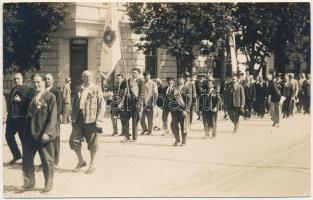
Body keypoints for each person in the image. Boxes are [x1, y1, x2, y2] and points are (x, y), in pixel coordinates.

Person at [21, 74, 58, 193]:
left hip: (43, 134)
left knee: (47, 160)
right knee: (26, 159)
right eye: (34, 82)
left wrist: (47, 132)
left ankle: (48, 183)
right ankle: (29, 182)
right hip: (29, 134)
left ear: (43, 82)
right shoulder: (32, 96)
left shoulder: (50, 97)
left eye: (38, 82)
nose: (36, 84)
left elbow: (53, 117)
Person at [69, 70, 105, 174]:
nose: (87, 78)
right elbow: (74, 103)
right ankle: (81, 161)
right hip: (78, 118)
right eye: (85, 76)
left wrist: (99, 120)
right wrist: (72, 118)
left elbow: (101, 105)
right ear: (82, 77)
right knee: (73, 141)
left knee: (92, 143)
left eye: (89, 76)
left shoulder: (97, 89)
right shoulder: (78, 89)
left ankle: (92, 164)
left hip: (91, 119)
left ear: (92, 77)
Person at [5, 73, 31, 165]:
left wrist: (20, 101)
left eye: (18, 78)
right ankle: (16, 155)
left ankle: (26, 159)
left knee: (23, 139)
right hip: (12, 118)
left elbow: (29, 103)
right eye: (15, 79)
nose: (16, 80)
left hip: (21, 119)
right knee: (8, 136)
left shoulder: (27, 89)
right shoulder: (13, 89)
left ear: (22, 79)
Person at [120, 67, 144, 142]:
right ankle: (127, 136)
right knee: (125, 119)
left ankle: (134, 137)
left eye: (135, 73)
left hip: (136, 102)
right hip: (127, 102)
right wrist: (125, 80)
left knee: (135, 120)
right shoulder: (128, 80)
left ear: (138, 74)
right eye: (132, 72)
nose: (133, 74)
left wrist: (139, 102)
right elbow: (121, 87)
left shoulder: (141, 81)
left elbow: (141, 93)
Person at [45, 73, 63, 167]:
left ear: (52, 80)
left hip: (54, 119)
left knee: (55, 140)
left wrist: (54, 118)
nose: (47, 81)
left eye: (49, 79)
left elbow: (60, 106)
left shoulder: (56, 91)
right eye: (46, 79)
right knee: (45, 140)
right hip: (44, 120)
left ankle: (55, 161)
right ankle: (46, 160)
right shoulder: (42, 91)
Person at [169, 74, 192, 146]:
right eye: (178, 79)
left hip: (183, 110)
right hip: (175, 111)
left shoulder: (187, 89)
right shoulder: (174, 89)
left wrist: (186, 110)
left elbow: (189, 100)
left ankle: (184, 141)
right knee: (174, 125)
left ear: (184, 80)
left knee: (183, 127)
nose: (179, 80)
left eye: (181, 79)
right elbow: (171, 99)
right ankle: (177, 139)